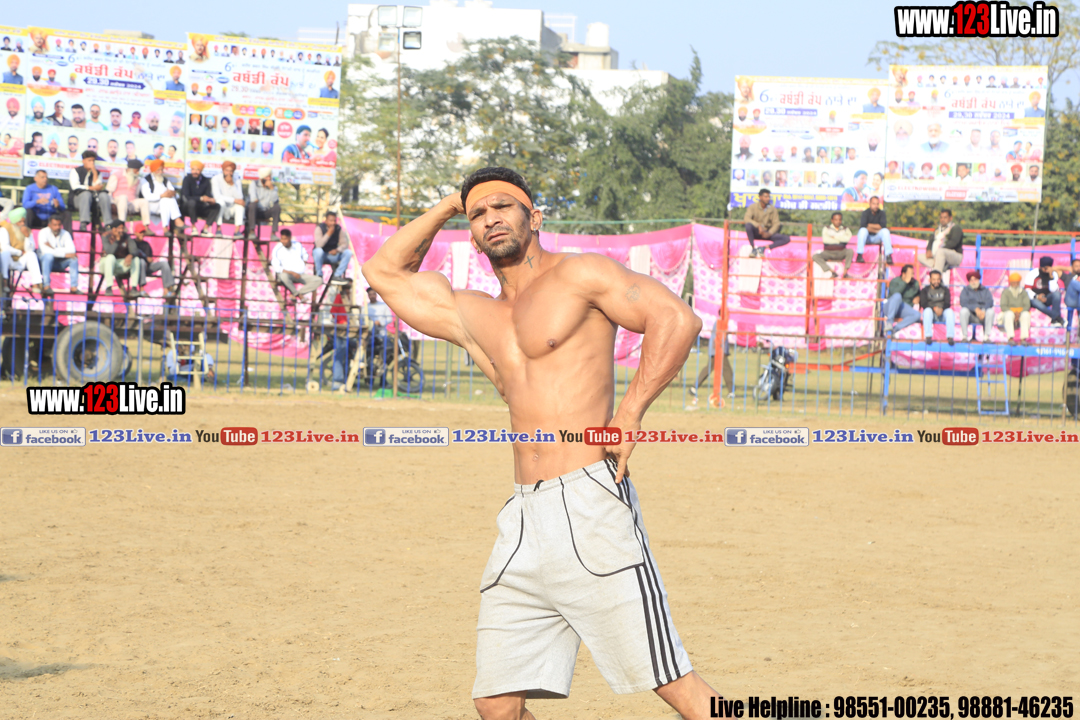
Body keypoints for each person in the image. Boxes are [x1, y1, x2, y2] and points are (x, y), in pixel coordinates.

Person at [364, 166, 720, 720]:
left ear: (534, 216)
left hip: (590, 502)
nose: (491, 218)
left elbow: (676, 319)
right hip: (523, 517)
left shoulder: (580, 275)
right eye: (479, 214)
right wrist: (451, 202)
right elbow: (383, 271)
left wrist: (629, 415)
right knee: (496, 703)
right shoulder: (472, 312)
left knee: (678, 688)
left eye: (503, 206)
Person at [0, 208, 44, 295]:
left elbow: (30, 249)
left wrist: (27, 236)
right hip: (8, 259)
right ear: (14, 221)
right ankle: (5, 281)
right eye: (20, 222)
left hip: (22, 260)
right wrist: (19, 252)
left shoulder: (27, 230)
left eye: (24, 221)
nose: (22, 224)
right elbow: (5, 247)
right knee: (4, 253)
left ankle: (36, 284)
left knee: (32, 254)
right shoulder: (5, 229)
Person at [691, 315, 734, 401]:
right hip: (718, 350)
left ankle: (694, 387)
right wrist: (718, 348)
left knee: (710, 368)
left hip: (718, 350)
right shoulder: (720, 322)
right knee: (727, 370)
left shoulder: (720, 322)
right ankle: (731, 392)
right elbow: (718, 336)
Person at [97, 220, 144, 296]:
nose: (121, 230)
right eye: (119, 228)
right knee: (111, 257)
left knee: (136, 259)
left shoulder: (126, 236)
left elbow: (135, 250)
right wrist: (117, 240)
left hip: (120, 264)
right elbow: (110, 252)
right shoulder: (105, 236)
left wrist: (130, 255)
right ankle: (109, 287)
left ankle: (134, 288)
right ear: (113, 229)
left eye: (122, 228)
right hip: (106, 264)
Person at [68, 150, 113, 231]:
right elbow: (75, 186)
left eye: (93, 161)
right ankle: (83, 223)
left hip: (94, 200)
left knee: (104, 196)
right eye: (89, 160)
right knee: (86, 194)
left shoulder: (97, 173)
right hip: (78, 199)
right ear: (83, 161)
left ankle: (108, 224)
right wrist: (91, 188)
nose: (92, 163)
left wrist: (94, 172)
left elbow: (98, 186)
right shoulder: (75, 171)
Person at [131, 222, 177, 299]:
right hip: (136, 267)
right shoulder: (132, 243)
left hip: (147, 267)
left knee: (164, 263)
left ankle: (166, 290)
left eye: (143, 232)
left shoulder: (146, 244)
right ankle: (142, 289)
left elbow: (150, 259)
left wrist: (148, 259)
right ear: (135, 233)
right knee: (141, 262)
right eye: (140, 232)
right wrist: (145, 258)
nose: (142, 234)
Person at [36, 214, 78, 296]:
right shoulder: (43, 232)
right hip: (44, 263)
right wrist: (64, 254)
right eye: (55, 225)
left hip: (59, 263)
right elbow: (45, 251)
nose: (57, 227)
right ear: (49, 225)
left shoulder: (65, 234)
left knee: (73, 259)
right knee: (48, 256)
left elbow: (72, 250)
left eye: (59, 225)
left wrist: (53, 249)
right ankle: (46, 285)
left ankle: (74, 287)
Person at [140, 159, 184, 236]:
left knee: (166, 200)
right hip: (151, 206)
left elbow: (174, 193)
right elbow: (147, 197)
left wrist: (173, 193)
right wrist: (162, 195)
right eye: (158, 170)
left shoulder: (165, 180)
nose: (160, 172)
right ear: (153, 170)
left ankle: (165, 228)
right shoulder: (145, 180)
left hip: (164, 206)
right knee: (165, 199)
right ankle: (177, 219)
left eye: (161, 170)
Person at [271, 228, 321, 296]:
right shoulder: (277, 249)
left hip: (298, 274)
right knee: (283, 276)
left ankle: (299, 293)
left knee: (318, 280)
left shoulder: (297, 245)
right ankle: (296, 293)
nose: (283, 241)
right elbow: (277, 267)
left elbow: (305, 255)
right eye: (282, 239)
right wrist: (292, 272)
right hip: (286, 274)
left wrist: (301, 267)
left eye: (285, 239)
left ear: (290, 238)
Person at [742, 188, 790, 258]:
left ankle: (763, 247)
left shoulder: (772, 209)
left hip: (766, 233)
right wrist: (758, 226)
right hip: (757, 232)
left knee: (786, 238)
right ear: (760, 197)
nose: (768, 198)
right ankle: (753, 248)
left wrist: (769, 233)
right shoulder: (752, 207)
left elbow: (776, 223)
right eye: (765, 196)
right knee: (748, 226)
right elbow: (746, 218)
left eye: (768, 197)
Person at [105, 158, 151, 228]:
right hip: (117, 202)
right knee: (123, 197)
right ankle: (121, 225)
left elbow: (136, 194)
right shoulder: (117, 175)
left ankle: (146, 227)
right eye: (136, 170)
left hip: (131, 203)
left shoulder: (137, 179)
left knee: (144, 201)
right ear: (130, 169)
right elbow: (109, 191)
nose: (138, 173)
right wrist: (111, 203)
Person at [180, 161, 221, 234]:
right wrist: (200, 198)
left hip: (201, 206)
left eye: (197, 170)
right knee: (192, 203)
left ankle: (205, 228)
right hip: (187, 207)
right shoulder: (187, 179)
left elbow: (208, 195)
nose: (195, 172)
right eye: (193, 169)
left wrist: (210, 200)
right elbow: (186, 196)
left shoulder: (206, 180)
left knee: (217, 206)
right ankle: (193, 227)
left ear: (201, 171)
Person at [919, 209, 963, 274]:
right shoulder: (938, 229)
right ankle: (939, 266)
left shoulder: (955, 228)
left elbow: (954, 242)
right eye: (941, 217)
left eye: (945, 217)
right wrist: (929, 250)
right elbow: (931, 240)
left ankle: (937, 275)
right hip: (937, 255)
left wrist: (938, 252)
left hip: (954, 255)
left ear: (950, 218)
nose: (943, 219)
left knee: (940, 252)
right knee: (920, 257)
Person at [313, 211, 353, 280]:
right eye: (331, 221)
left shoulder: (338, 229)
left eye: (334, 221)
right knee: (318, 251)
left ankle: (337, 275)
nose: (333, 223)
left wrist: (337, 250)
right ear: (326, 221)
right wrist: (328, 233)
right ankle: (319, 275)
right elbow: (319, 245)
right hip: (322, 255)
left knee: (348, 252)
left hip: (333, 255)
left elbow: (344, 244)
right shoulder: (319, 228)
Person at [1024, 256, 1064, 324]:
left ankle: (1055, 318)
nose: (1046, 270)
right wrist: (1037, 296)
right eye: (1044, 268)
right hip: (1035, 298)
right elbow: (1027, 289)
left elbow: (1054, 290)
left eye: (1048, 268)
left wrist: (1051, 277)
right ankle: (1057, 318)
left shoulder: (1053, 274)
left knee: (1057, 294)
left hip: (1047, 298)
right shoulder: (1032, 273)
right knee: (1035, 302)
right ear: (1041, 267)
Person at [211, 160, 246, 237]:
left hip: (232, 208)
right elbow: (217, 196)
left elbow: (240, 198)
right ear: (223, 170)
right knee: (220, 203)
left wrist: (232, 184)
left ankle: (237, 231)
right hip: (221, 208)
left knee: (240, 206)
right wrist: (234, 200)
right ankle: (218, 229)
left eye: (231, 171)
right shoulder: (216, 179)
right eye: (227, 170)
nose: (229, 173)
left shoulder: (236, 180)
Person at [813, 211, 853, 279]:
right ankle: (832, 272)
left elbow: (847, 239)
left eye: (840, 219)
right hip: (828, 252)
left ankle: (845, 273)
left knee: (850, 251)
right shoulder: (826, 228)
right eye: (836, 220)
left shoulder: (845, 229)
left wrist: (833, 237)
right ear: (832, 220)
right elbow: (826, 240)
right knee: (815, 256)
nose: (838, 221)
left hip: (841, 252)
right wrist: (840, 239)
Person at [884, 264, 921, 337]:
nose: (912, 276)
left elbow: (920, 293)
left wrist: (919, 297)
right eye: (910, 274)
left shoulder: (915, 283)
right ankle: (889, 323)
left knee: (917, 315)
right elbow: (894, 293)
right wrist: (905, 283)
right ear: (903, 274)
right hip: (890, 307)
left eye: (913, 274)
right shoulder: (895, 281)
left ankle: (895, 329)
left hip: (903, 308)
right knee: (897, 296)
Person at [958, 270, 995, 342]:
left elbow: (990, 302)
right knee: (963, 311)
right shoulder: (965, 290)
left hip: (983, 315)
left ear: (978, 280)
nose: (973, 282)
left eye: (975, 280)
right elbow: (963, 302)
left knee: (990, 311)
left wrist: (983, 310)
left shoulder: (985, 290)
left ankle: (986, 337)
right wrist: (975, 309)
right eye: (971, 280)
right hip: (971, 315)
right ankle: (964, 336)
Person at [919, 270, 955, 345]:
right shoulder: (925, 290)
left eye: (938, 279)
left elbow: (947, 303)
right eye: (934, 279)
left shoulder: (945, 289)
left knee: (950, 312)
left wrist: (941, 309)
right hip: (931, 313)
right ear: (930, 280)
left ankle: (950, 337)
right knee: (927, 311)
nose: (936, 281)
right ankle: (928, 336)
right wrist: (934, 308)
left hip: (942, 312)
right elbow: (923, 303)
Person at [245, 167, 281, 241]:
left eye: (270, 177)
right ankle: (252, 231)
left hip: (265, 211)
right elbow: (253, 199)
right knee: (252, 205)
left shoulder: (273, 187)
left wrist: (271, 189)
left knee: (277, 207)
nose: (269, 179)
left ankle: (273, 233)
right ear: (262, 178)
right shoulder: (254, 184)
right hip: (254, 211)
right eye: (267, 177)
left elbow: (275, 201)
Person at [855, 196, 892, 264]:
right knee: (863, 231)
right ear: (870, 204)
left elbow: (882, 226)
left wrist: (868, 225)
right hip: (867, 238)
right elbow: (863, 226)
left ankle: (888, 255)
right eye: (874, 204)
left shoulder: (882, 213)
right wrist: (877, 228)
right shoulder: (865, 213)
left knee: (885, 231)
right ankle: (859, 255)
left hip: (877, 238)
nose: (876, 206)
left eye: (877, 204)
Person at [997, 272, 1032, 345]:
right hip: (1009, 313)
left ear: (1019, 283)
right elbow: (1003, 306)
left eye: (1017, 283)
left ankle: (1023, 339)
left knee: (1026, 314)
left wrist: (1018, 313)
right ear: (1010, 283)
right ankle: (1010, 338)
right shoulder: (1005, 292)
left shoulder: (1023, 292)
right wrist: (1014, 313)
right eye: (1013, 283)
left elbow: (1027, 305)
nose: (1015, 284)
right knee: (1009, 314)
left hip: (1020, 313)